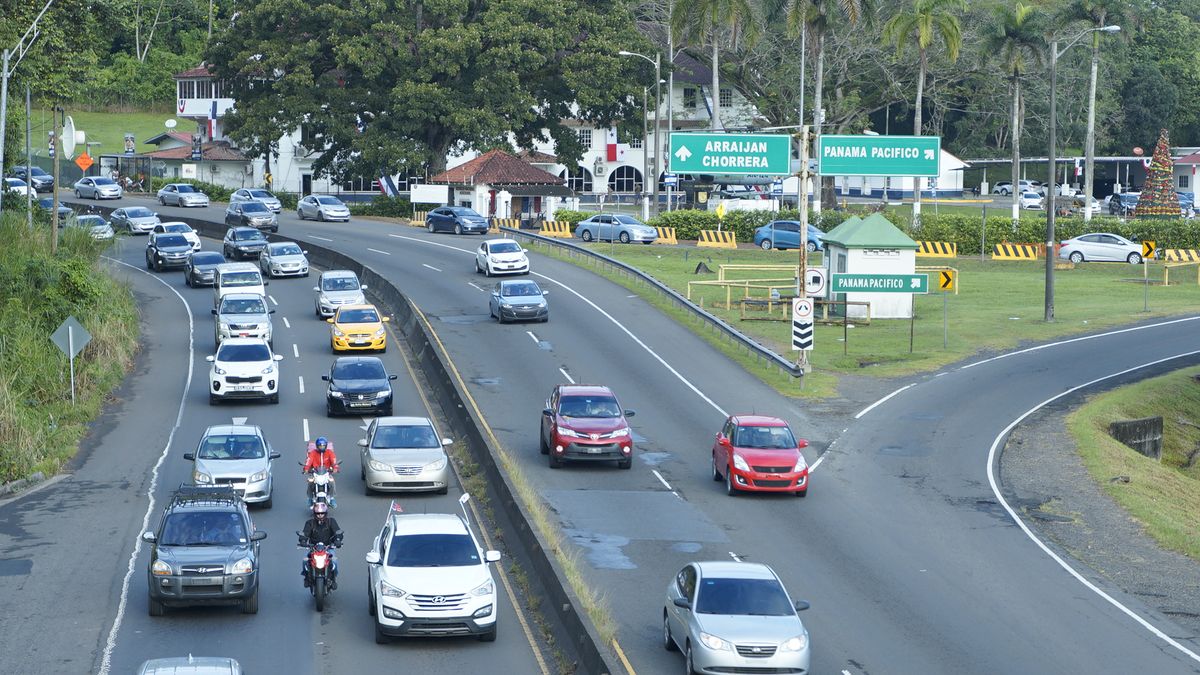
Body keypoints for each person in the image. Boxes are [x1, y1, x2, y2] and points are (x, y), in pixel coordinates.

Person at [300, 503, 342, 589]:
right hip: (314, 548)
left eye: (322, 513)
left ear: (325, 513)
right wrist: (303, 540)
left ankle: (333, 580)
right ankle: (307, 579)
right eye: (318, 513)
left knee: (334, 561)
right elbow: (305, 533)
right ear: (314, 514)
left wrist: (337, 540)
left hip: (328, 548)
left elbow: (338, 531)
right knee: (305, 561)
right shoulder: (309, 523)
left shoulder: (331, 521)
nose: (320, 515)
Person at [303, 437, 339, 506]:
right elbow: (308, 461)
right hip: (315, 472)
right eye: (320, 446)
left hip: (327, 472)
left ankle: (332, 498)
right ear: (317, 446)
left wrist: (335, 468)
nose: (321, 447)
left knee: (332, 482)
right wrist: (306, 468)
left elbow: (334, 460)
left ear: (326, 446)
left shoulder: (329, 452)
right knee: (310, 482)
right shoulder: (313, 453)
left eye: (323, 446)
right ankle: (310, 498)